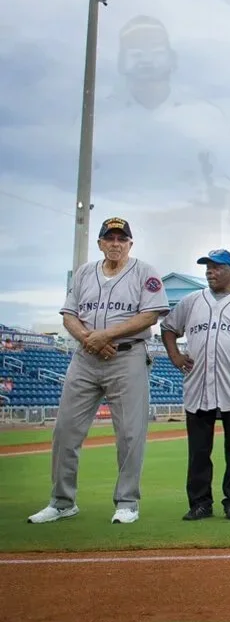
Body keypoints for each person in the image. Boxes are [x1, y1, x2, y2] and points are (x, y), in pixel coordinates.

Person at [27, 217, 169, 525]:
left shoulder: (145, 272)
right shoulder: (84, 273)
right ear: (100, 243)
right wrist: (90, 340)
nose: (115, 243)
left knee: (130, 434)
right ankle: (62, 501)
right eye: (110, 238)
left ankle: (127, 502)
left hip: (127, 357)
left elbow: (150, 315)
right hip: (85, 357)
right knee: (64, 430)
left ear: (130, 243)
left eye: (122, 238)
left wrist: (107, 336)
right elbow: (68, 315)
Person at [160, 249, 230, 520]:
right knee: (198, 451)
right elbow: (168, 328)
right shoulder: (191, 301)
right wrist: (174, 355)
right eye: (207, 267)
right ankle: (200, 503)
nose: (210, 271)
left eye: (217, 267)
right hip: (198, 386)